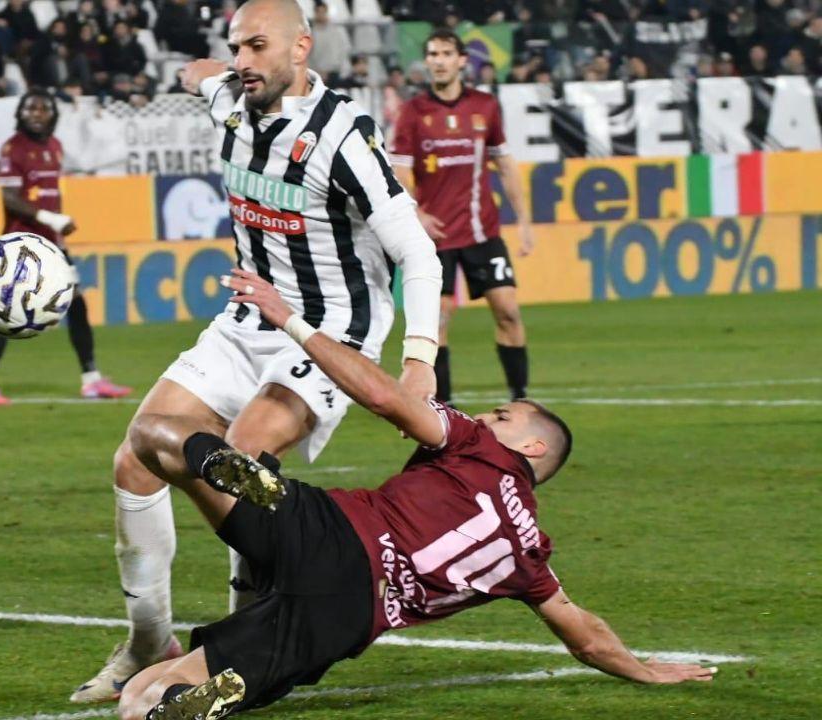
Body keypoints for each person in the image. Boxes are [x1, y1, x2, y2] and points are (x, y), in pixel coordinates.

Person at [115, 268, 719, 719]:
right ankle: (210, 685)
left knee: (156, 434)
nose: (489, 414)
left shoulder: (479, 444)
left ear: (531, 449)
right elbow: (581, 632)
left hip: (326, 530)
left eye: (505, 414)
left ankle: (242, 474)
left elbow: (385, 399)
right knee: (145, 703)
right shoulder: (530, 552)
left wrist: (293, 322)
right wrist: (642, 670)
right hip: (347, 616)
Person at [70, 0, 442, 703]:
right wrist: (198, 71)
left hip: (332, 329)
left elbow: (417, 252)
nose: (242, 60)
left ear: (301, 48)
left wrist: (418, 359)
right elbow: (206, 73)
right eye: (236, 47)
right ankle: (150, 639)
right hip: (245, 321)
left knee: (238, 460)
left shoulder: (344, 136)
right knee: (135, 460)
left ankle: (251, 638)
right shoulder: (232, 100)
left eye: (257, 46)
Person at [391, 29, 534, 405]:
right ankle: (444, 408)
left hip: (482, 232)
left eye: (445, 53)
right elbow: (399, 172)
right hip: (435, 238)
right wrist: (417, 213)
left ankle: (520, 399)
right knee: (438, 323)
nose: (438, 60)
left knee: (508, 312)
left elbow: (505, 164)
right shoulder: (413, 113)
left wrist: (524, 222)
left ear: (461, 60)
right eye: (432, 54)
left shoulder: (485, 106)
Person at [0, 89, 132, 406]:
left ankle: (92, 379)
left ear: (53, 114)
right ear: (20, 113)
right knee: (6, 312)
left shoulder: (54, 147)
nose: (37, 113)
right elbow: (8, 198)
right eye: (30, 108)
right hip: (23, 244)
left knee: (78, 306)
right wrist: (51, 218)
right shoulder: (13, 148)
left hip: (52, 245)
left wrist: (55, 227)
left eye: (43, 108)